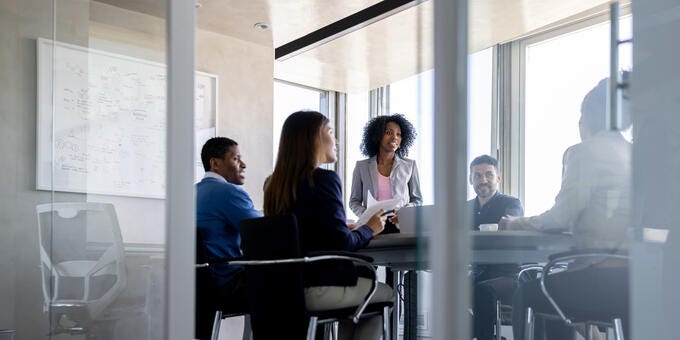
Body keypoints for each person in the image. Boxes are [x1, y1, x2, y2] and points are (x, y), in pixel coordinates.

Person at [501, 75, 632, 340]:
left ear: (588, 117)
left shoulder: (585, 152)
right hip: (638, 278)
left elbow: (560, 217)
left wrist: (514, 223)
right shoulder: (636, 153)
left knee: (528, 292)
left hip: (602, 277)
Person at [264, 110, 395, 340]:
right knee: (385, 294)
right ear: (311, 138)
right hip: (318, 287)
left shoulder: (274, 186)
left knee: (359, 304)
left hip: (283, 290)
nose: (336, 141)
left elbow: (308, 232)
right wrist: (369, 228)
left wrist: (342, 228)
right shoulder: (324, 179)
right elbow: (342, 244)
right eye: (331, 132)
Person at [195, 137, 261, 339]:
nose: (243, 164)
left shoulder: (190, 192)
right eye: (235, 158)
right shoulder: (229, 193)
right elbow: (264, 232)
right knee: (281, 285)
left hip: (197, 285)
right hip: (224, 282)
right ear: (215, 163)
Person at [467, 155, 524, 340]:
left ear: (498, 178)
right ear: (471, 180)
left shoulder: (511, 203)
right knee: (447, 289)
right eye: (477, 175)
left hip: (507, 275)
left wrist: (509, 222)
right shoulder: (464, 209)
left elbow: (512, 222)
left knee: (482, 291)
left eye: (488, 175)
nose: (483, 180)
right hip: (477, 273)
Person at [350, 114, 422, 233]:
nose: (394, 137)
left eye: (398, 134)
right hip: (372, 227)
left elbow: (417, 200)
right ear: (378, 135)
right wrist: (366, 214)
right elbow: (354, 201)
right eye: (389, 133)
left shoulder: (410, 165)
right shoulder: (361, 167)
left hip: (401, 227)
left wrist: (403, 214)